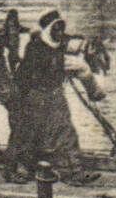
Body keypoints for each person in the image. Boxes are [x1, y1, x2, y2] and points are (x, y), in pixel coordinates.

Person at [5, 10, 98, 185]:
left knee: (66, 133)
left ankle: (73, 173)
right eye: (56, 28)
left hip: (55, 95)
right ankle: (19, 171)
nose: (60, 32)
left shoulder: (60, 42)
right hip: (34, 96)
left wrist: (87, 45)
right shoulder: (35, 48)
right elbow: (22, 77)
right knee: (27, 135)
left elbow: (73, 42)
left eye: (61, 28)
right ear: (48, 29)